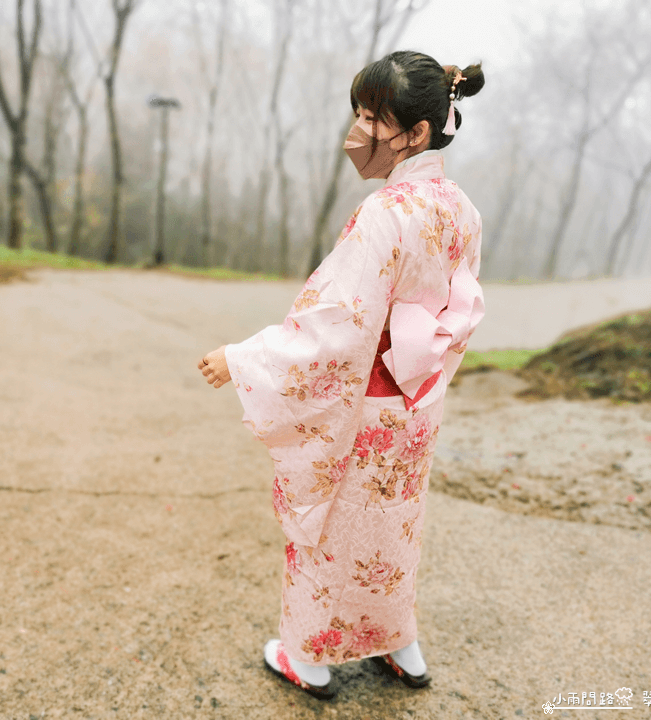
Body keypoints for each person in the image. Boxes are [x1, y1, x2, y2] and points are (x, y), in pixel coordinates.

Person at [198, 50, 485, 699]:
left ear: (414, 133)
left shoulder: (389, 212)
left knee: (331, 527)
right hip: (415, 402)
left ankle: (308, 657)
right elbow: (458, 308)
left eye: (371, 117)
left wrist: (242, 358)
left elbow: (336, 326)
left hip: (363, 399)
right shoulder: (460, 208)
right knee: (394, 527)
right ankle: (401, 646)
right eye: (358, 112)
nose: (358, 130)